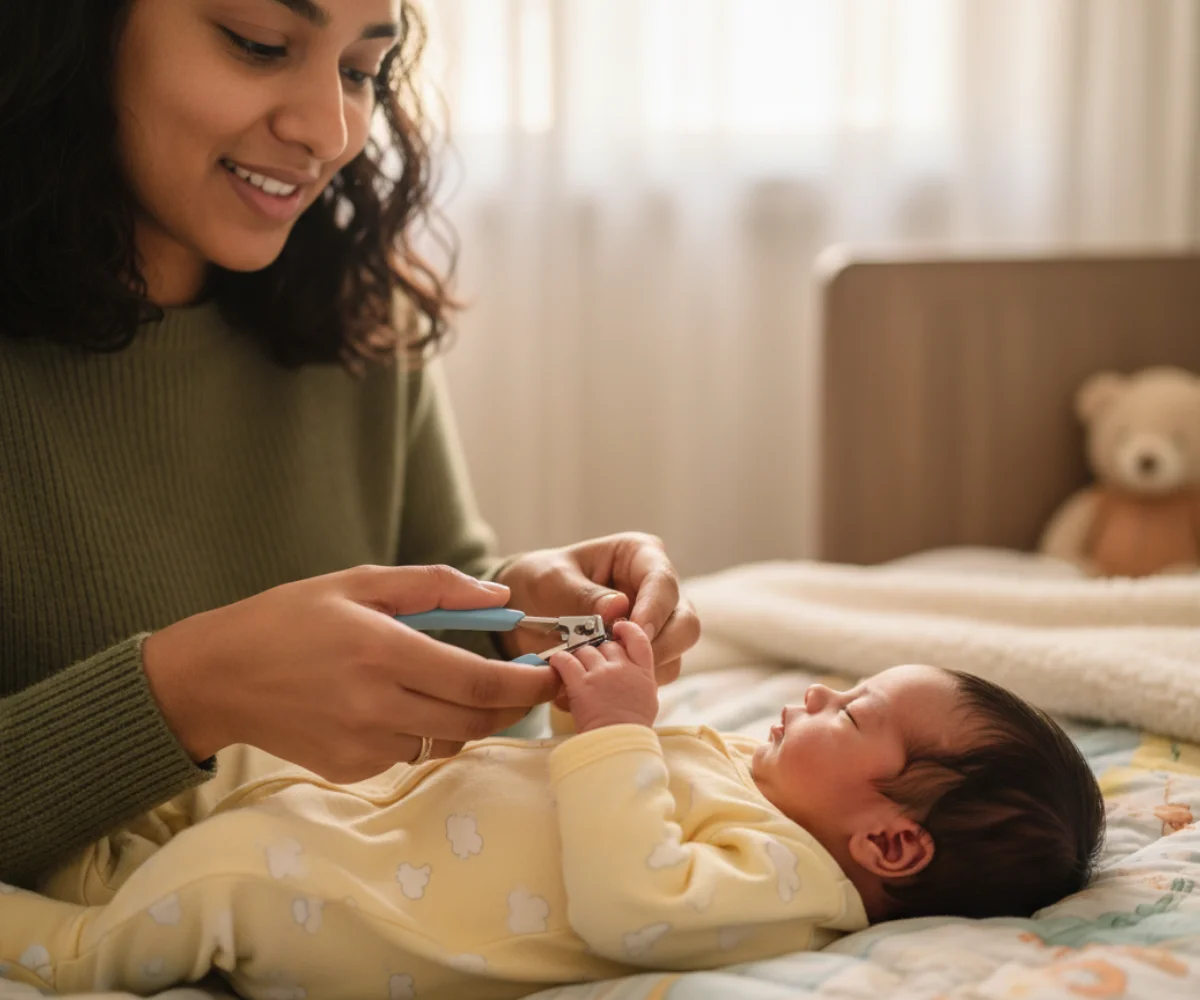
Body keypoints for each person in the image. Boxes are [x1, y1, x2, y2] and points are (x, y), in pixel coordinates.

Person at [0, 0, 700, 889]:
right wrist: (186, 693)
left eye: (361, 71)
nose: (329, 131)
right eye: (259, 45)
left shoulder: (358, 313)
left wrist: (524, 615)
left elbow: (446, 589)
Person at [0, 629, 1105, 1000]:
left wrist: (617, 730)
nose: (819, 692)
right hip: (376, 817)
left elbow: (634, 902)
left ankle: (74, 942)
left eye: (852, 709)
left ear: (891, 841)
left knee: (222, 877)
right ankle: (103, 862)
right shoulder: (765, 791)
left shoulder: (792, 890)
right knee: (227, 759)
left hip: (347, 901)